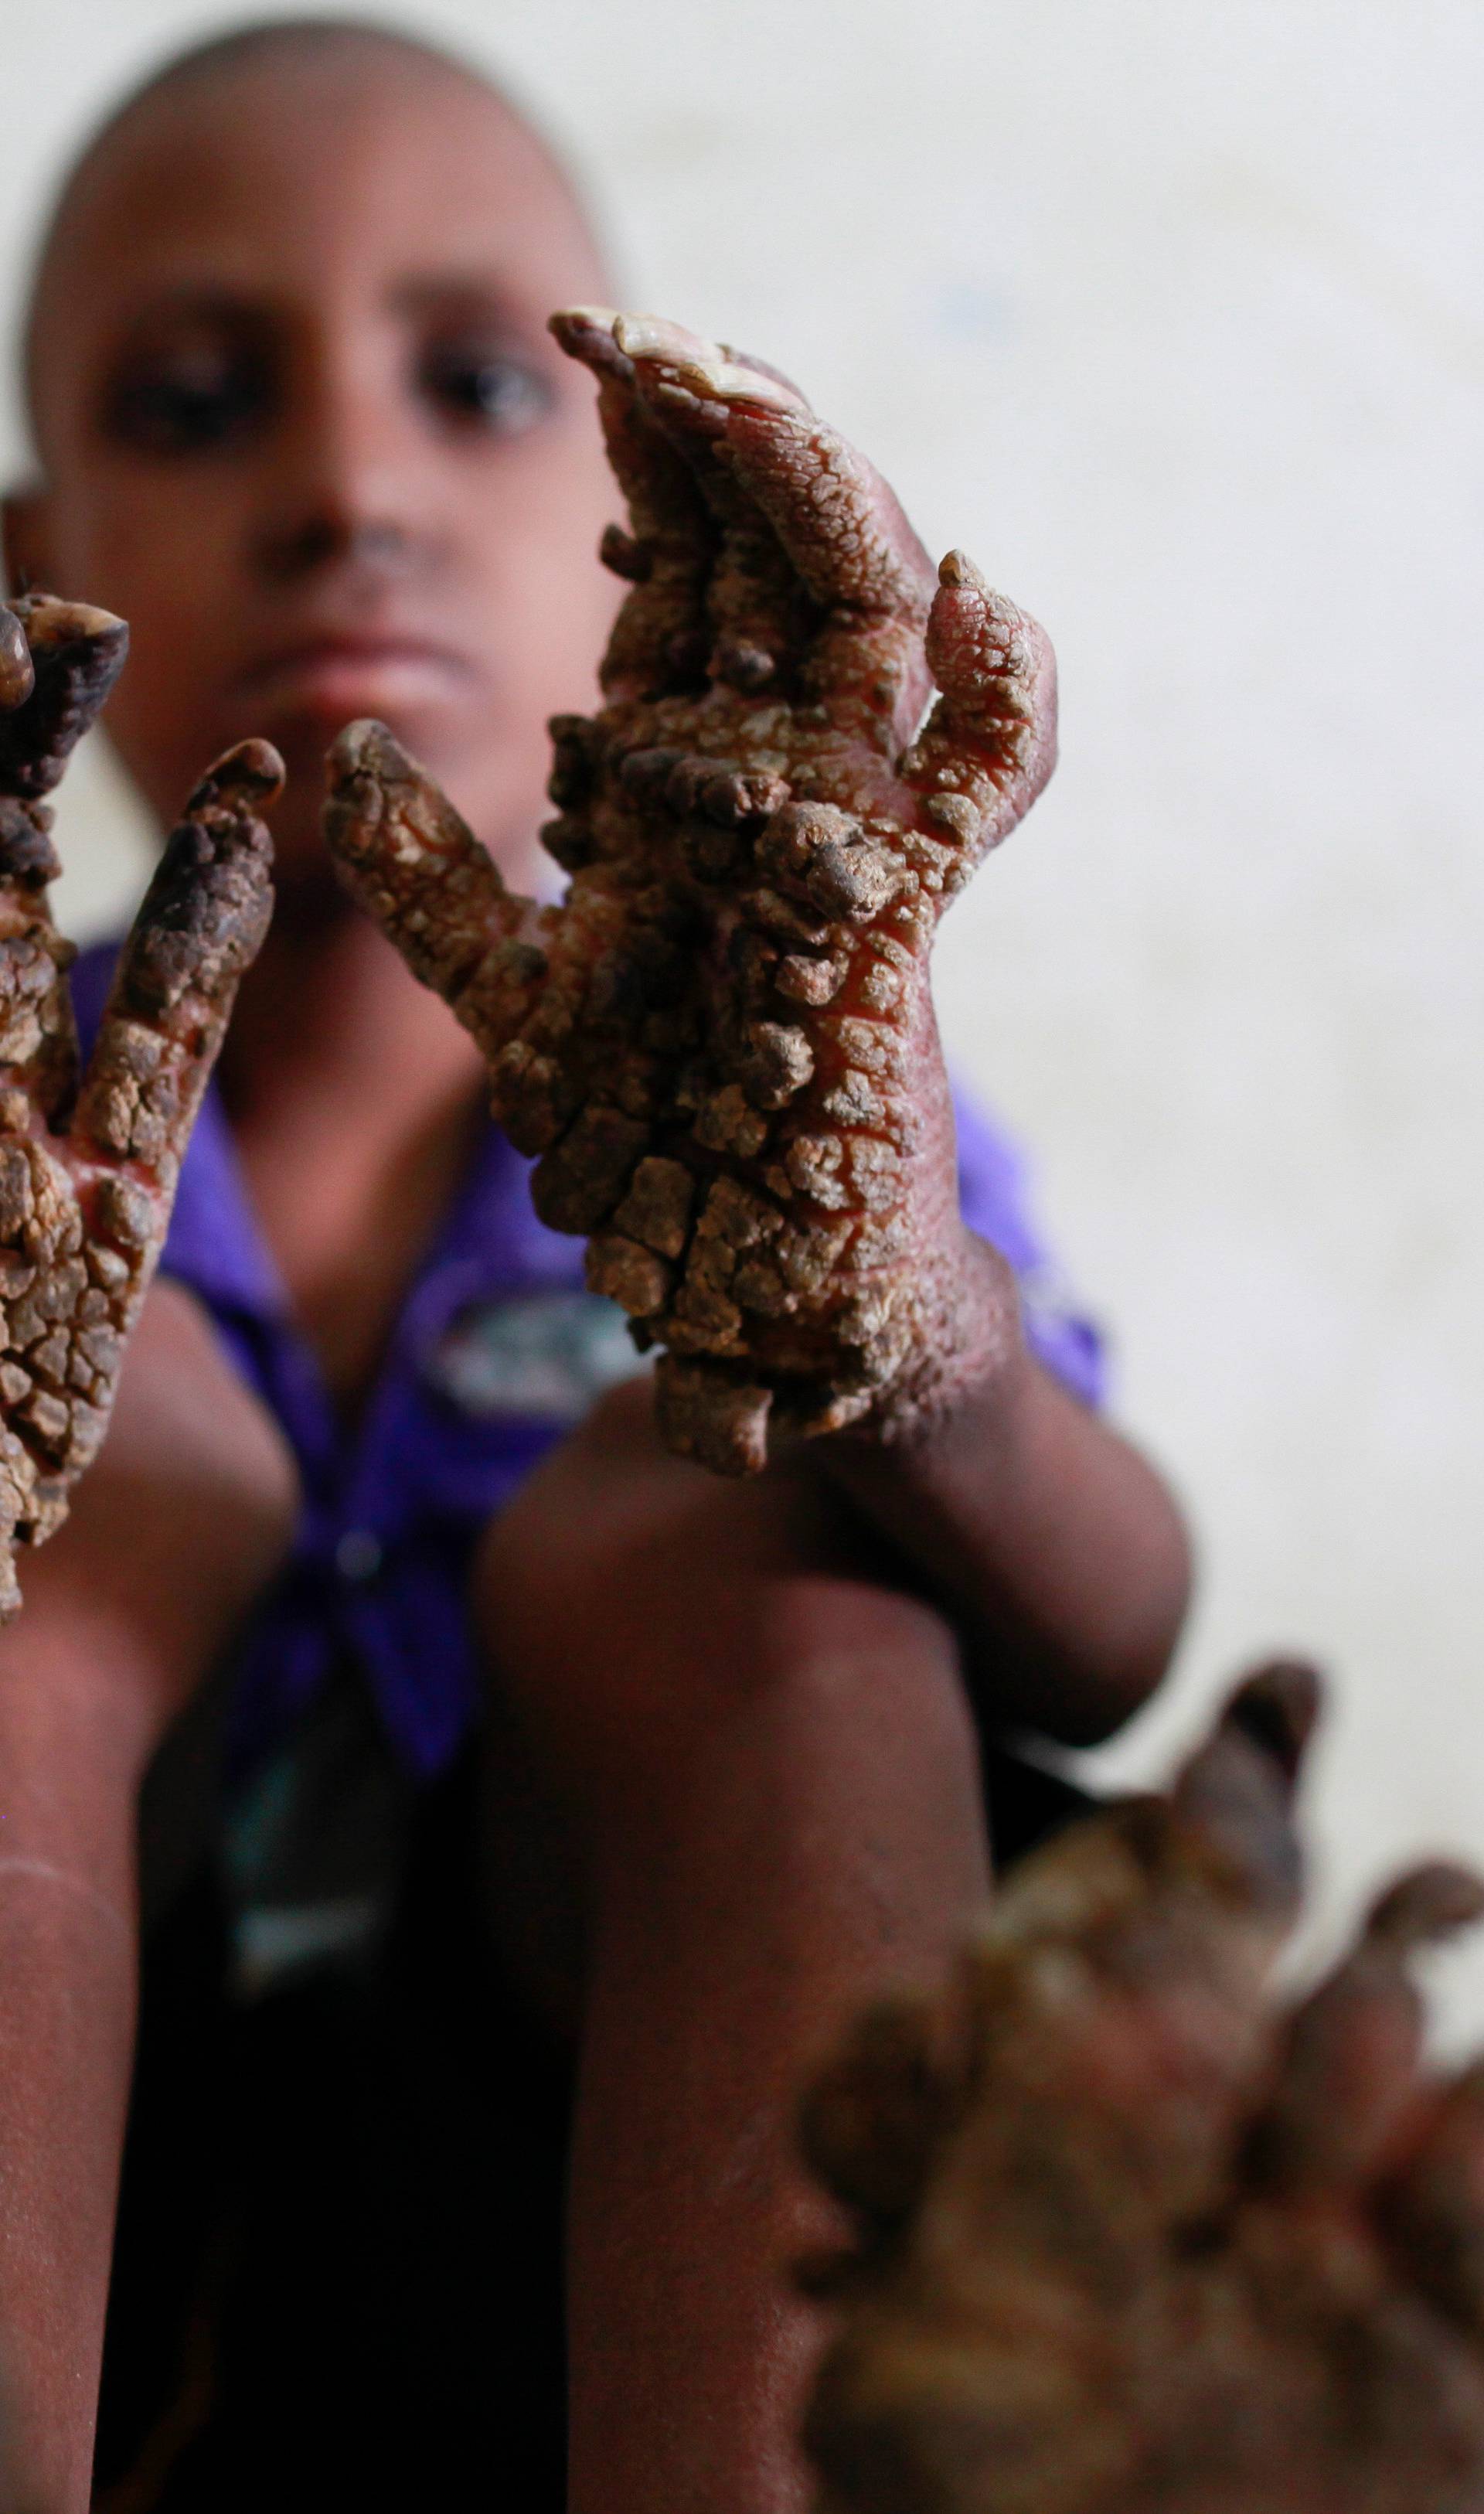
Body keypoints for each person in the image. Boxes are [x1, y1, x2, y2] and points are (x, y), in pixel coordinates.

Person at [0, 20, 1191, 2512]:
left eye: (471, 386)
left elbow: (1108, 1634)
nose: (347, 491)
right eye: (203, 404)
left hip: (580, 2170)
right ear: (37, 564)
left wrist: (896, 1325)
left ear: (647, 524)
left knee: (745, 1529)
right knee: (75, 1520)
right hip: (104, 2185)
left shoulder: (786, 1073)